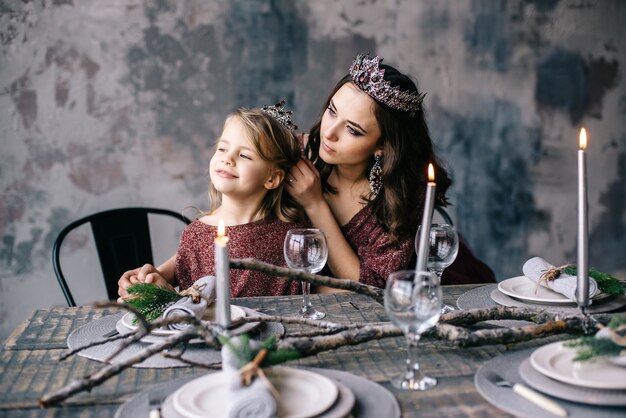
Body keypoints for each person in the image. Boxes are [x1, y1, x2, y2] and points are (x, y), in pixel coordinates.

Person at [286, 54, 495, 289]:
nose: (329, 133)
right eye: (332, 111)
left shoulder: (401, 193)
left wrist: (315, 204)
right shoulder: (293, 155)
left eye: (353, 130)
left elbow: (371, 288)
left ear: (382, 146)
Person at [118, 102, 307, 299]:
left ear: (272, 178)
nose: (228, 159)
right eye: (223, 149)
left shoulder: (290, 236)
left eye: (244, 155)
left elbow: (317, 293)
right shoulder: (195, 235)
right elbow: (190, 305)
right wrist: (149, 285)